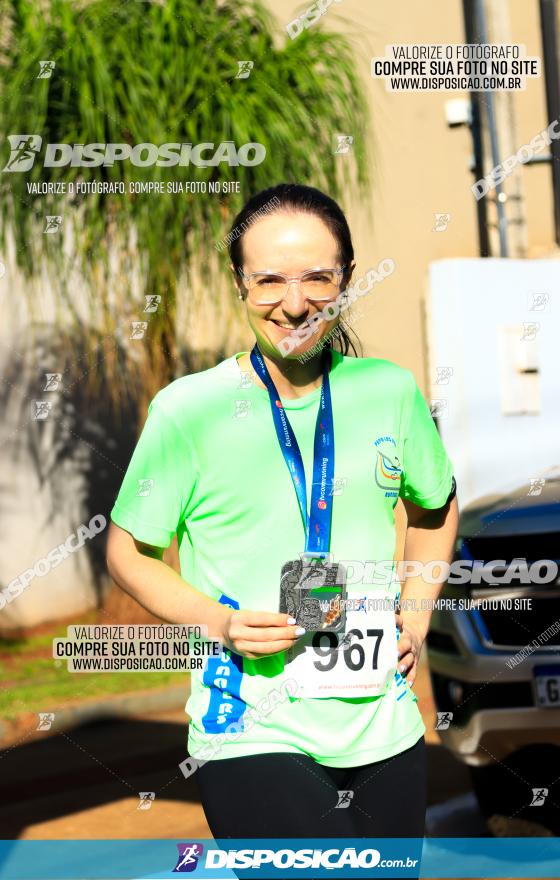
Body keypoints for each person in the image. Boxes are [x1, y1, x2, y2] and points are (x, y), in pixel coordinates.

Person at [106, 183, 459, 866]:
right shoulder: (189, 410)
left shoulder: (388, 391)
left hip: (381, 722)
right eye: (268, 279)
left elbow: (434, 507)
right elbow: (128, 552)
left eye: (316, 278)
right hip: (248, 729)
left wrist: (413, 617)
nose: (293, 303)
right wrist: (218, 621)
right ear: (239, 282)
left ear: (347, 280)